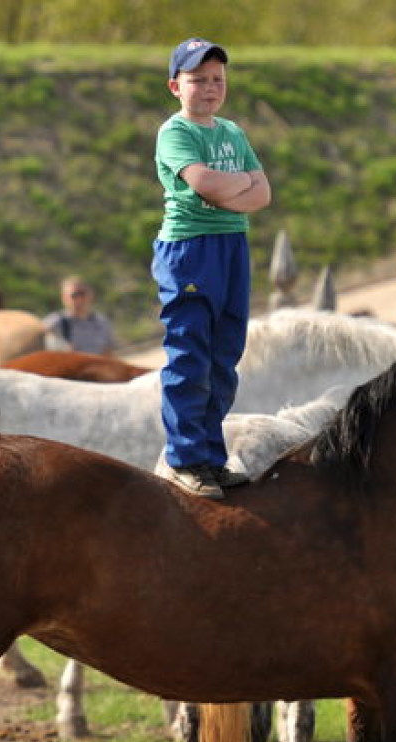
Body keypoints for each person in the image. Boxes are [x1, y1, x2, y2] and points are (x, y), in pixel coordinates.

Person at [152, 38, 271, 501]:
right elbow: (204, 183)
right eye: (197, 79)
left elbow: (263, 195)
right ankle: (184, 459)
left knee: (224, 355)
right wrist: (240, 183)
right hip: (190, 249)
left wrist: (230, 188)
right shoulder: (176, 132)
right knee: (190, 355)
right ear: (175, 86)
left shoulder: (233, 132)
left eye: (217, 79)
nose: (209, 87)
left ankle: (210, 457)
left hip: (231, 246)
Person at [42, 276, 116, 354]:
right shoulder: (55, 321)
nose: (79, 299)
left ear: (90, 295)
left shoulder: (101, 322)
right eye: (74, 295)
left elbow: (108, 352)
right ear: (64, 298)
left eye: (82, 294)